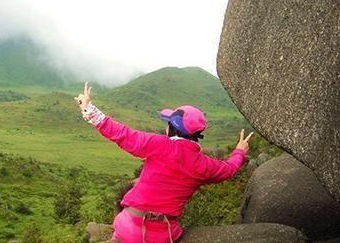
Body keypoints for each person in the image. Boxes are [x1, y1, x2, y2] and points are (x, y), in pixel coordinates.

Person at [74, 82, 253, 243]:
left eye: (168, 123)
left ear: (173, 128)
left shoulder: (159, 144)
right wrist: (240, 151)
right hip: (164, 235)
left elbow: (121, 133)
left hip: (128, 229)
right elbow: (229, 169)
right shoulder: (204, 165)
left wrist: (88, 108)